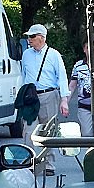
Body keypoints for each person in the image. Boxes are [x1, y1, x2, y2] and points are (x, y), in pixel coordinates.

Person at [21, 24, 67, 175]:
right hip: (31, 97)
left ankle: (49, 164)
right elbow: (24, 75)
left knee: (49, 130)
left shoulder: (54, 55)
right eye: (29, 36)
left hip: (49, 94)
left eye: (32, 37)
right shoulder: (26, 54)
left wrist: (64, 99)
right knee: (28, 131)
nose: (29, 39)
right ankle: (30, 163)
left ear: (41, 38)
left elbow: (62, 77)